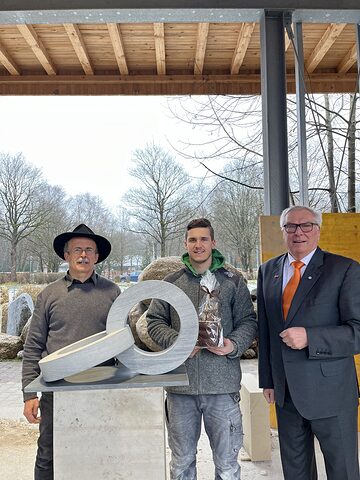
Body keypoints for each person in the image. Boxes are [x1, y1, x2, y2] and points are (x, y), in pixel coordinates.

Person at [147, 218, 257, 480]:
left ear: (213, 243)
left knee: (227, 465)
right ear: (186, 244)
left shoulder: (232, 281)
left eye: (204, 239)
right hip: (180, 389)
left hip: (223, 388)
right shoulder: (172, 282)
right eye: (193, 240)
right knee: (182, 463)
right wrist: (178, 341)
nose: (198, 245)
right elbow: (153, 321)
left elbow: (248, 321)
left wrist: (233, 344)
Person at [257, 205, 360, 480]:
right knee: (296, 472)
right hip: (286, 393)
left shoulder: (344, 269)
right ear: (283, 231)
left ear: (318, 229)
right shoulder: (268, 270)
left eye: (306, 226)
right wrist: (268, 380)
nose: (298, 232)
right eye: (291, 226)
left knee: (343, 472)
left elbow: (357, 331)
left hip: (332, 394)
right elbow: (266, 330)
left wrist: (311, 337)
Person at [22, 224, 121, 480]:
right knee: (48, 453)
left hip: (101, 388)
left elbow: (123, 343)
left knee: (100, 450)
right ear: (66, 255)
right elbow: (33, 345)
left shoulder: (112, 292)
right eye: (77, 249)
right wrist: (29, 393)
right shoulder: (48, 295)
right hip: (56, 389)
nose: (83, 255)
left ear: (97, 256)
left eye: (89, 250)